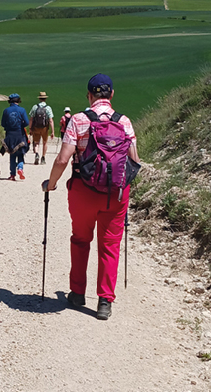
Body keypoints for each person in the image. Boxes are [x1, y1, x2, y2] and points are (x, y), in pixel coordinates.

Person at [44, 74, 139, 320]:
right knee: (110, 246)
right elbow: (134, 162)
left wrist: (51, 184)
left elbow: (63, 159)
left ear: (88, 95)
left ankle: (77, 293)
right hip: (116, 195)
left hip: (83, 191)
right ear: (112, 94)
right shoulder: (125, 122)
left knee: (80, 239)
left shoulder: (78, 120)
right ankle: (105, 301)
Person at [1, 93, 29, 181]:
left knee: (12, 155)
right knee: (20, 153)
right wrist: (21, 125)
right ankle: (20, 168)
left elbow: (2, 123)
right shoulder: (22, 110)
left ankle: (12, 174)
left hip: (9, 134)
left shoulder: (6, 110)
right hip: (19, 134)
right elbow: (27, 122)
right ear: (18, 100)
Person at [28, 91, 55, 165]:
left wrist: (30, 128)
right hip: (45, 128)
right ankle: (43, 158)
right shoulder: (48, 108)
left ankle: (36, 154)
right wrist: (53, 131)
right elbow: (50, 120)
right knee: (45, 142)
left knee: (36, 142)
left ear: (39, 99)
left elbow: (31, 119)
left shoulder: (35, 107)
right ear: (45, 99)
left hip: (36, 127)